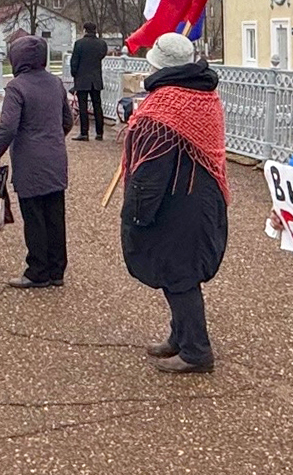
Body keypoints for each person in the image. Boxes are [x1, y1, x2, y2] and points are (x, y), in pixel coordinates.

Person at [119, 31, 228, 372]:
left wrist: (136, 214)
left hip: (177, 202)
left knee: (180, 275)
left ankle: (196, 351)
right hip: (202, 195)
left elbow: (151, 170)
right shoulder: (204, 94)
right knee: (178, 272)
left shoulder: (164, 108)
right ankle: (179, 336)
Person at [0, 32, 75, 287]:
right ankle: (57, 270)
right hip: (55, 156)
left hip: (29, 159)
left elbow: (7, 128)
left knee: (34, 216)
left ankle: (37, 271)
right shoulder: (55, 83)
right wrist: (53, 138)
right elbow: (67, 120)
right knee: (55, 215)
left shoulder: (17, 86)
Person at [67, 23, 108, 141]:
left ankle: (84, 133)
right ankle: (99, 133)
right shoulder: (102, 44)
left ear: (85, 30)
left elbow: (74, 61)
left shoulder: (79, 44)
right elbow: (101, 56)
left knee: (83, 106)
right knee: (97, 106)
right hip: (96, 78)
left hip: (82, 78)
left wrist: (75, 74)